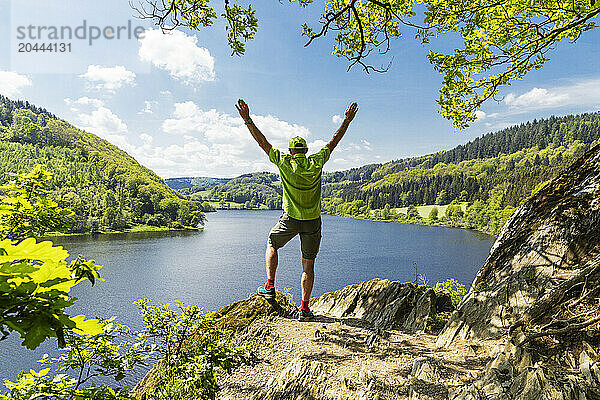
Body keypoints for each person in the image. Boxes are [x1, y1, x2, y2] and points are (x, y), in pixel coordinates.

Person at [235, 99, 358, 321]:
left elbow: (262, 142)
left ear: (291, 151)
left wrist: (247, 120)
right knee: (308, 264)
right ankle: (304, 308)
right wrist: (346, 121)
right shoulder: (316, 161)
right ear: (306, 151)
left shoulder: (284, 162)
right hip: (312, 221)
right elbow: (334, 141)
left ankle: (270, 286)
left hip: (290, 218)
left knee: (272, 243)